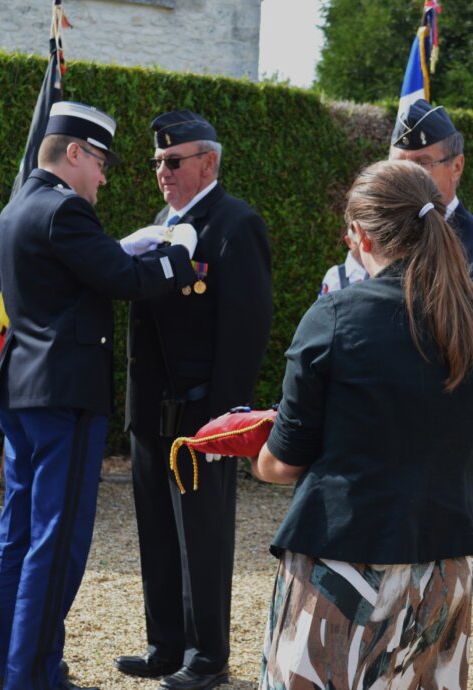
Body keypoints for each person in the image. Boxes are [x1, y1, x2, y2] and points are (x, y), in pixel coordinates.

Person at [252, 159, 473, 689]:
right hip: (442, 569)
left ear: (361, 236)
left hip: (345, 563)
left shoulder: (335, 316)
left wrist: (256, 453)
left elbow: (284, 462)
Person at [0, 101, 200, 690]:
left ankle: (17, 669)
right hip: (65, 396)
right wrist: (177, 258)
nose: (103, 178)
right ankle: (32, 678)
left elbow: (82, 270)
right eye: (101, 163)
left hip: (24, 392)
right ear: (74, 153)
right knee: (55, 542)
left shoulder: (19, 206)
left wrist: (121, 247)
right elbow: (125, 280)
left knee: (18, 537)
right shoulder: (65, 210)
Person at [117, 110, 273, 690]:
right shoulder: (162, 225)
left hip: (201, 414)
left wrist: (224, 421)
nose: (162, 171)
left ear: (208, 162)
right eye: (158, 161)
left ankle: (207, 654)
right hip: (150, 409)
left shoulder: (236, 224)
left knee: (202, 538)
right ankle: (165, 646)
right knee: (157, 531)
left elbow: (246, 329)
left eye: (173, 160)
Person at [389, 99, 473, 332]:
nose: (408, 175)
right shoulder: (385, 240)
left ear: (456, 167)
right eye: (399, 164)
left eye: (422, 163)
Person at [318, 228, 367, 296]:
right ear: (348, 241)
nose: (363, 248)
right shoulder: (335, 275)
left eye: (366, 243)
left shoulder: (380, 270)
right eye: (358, 243)